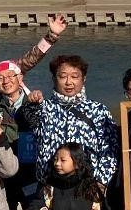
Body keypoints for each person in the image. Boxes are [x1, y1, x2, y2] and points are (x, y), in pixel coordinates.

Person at [34, 54, 120, 187]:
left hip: (88, 185)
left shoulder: (98, 110)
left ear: (84, 79)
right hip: (50, 185)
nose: (69, 82)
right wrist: (30, 102)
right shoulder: (42, 108)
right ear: (54, 78)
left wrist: (101, 183)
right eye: (62, 76)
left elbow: (110, 150)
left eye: (75, 76)